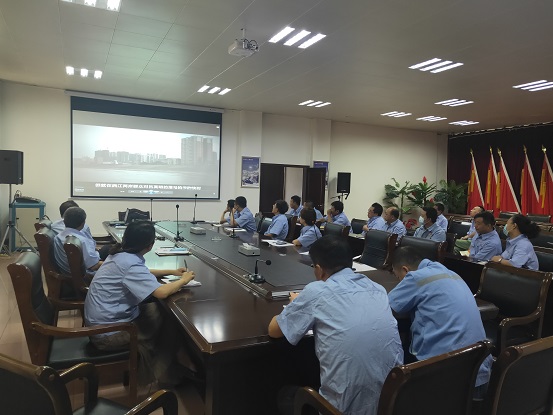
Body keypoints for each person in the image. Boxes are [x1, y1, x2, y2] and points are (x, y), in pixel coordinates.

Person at [268, 236, 403, 415]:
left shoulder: (317, 291)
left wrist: (297, 303)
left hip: (339, 410)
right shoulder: (377, 288)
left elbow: (274, 330)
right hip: (391, 403)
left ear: (318, 269)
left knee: (284, 395)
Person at [84, 221, 197, 386]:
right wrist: (184, 280)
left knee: (157, 310)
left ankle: (170, 364)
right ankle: (162, 375)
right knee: (173, 324)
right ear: (150, 245)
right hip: (108, 334)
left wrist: (172, 271)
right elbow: (161, 292)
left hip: (102, 322)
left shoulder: (118, 254)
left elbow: (142, 272)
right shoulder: (130, 263)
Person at [388, 247, 492, 398]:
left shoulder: (416, 277)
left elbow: (386, 307)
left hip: (447, 380)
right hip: (480, 372)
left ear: (405, 270)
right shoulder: (451, 273)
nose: (399, 282)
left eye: (398, 277)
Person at [54, 207, 102, 275]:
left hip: (66, 271)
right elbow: (93, 266)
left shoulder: (58, 237)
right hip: (84, 275)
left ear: (64, 221)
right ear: (83, 223)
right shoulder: (81, 240)